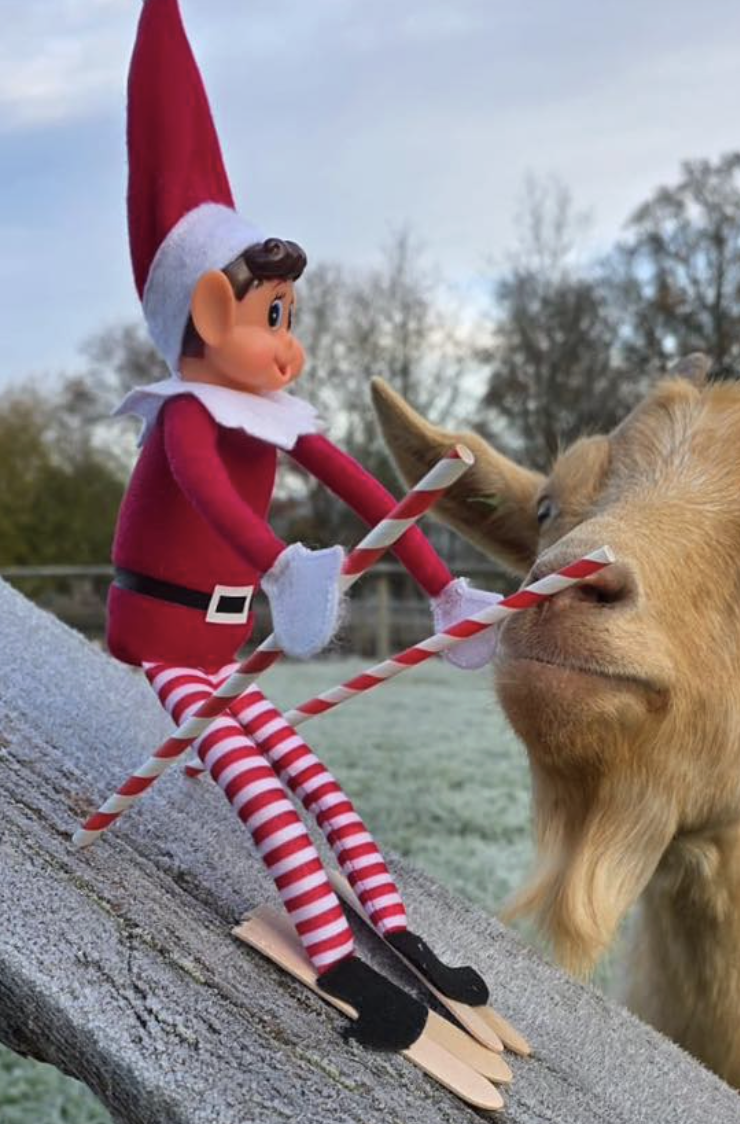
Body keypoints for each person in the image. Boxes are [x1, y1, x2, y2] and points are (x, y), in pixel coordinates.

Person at [108, 0, 496, 1048]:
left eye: (291, 318)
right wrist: (282, 566)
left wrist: (440, 584)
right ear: (209, 318)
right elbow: (208, 498)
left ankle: (398, 930)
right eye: (273, 316)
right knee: (253, 781)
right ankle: (335, 957)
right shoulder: (189, 415)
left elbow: (371, 490)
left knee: (310, 773)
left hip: (230, 637)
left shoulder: (274, 412)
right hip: (170, 639)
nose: (291, 346)